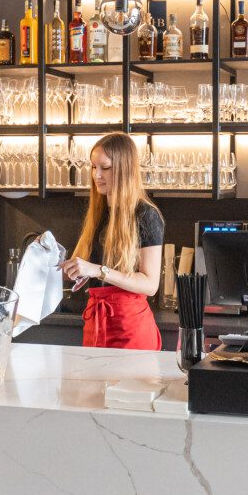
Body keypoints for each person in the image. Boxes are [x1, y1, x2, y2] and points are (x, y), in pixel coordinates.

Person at [62, 132, 164, 349]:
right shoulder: (99, 212)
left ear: (125, 169)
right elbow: (77, 268)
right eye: (93, 167)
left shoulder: (146, 214)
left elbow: (150, 285)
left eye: (105, 168)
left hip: (130, 327)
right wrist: (47, 257)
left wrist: (98, 270)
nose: (97, 175)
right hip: (96, 323)